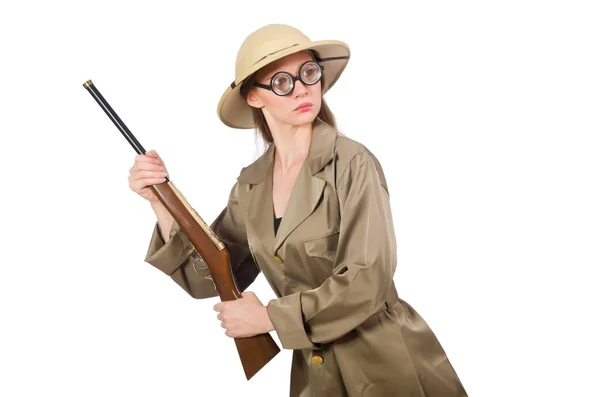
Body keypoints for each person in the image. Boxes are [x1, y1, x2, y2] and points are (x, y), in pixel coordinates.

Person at [129, 24, 468, 397]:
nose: (302, 88)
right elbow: (209, 279)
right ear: (255, 98)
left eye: (308, 73)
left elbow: (367, 276)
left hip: (387, 364)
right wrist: (161, 206)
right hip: (315, 374)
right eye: (281, 81)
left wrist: (270, 317)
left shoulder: (352, 162)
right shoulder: (251, 185)